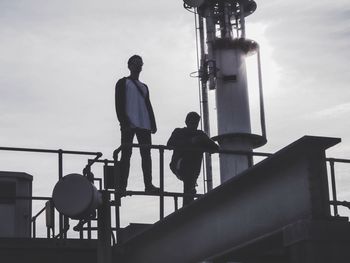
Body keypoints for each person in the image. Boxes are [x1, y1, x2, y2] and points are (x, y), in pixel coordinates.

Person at [115, 55, 159, 194]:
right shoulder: (123, 82)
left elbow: (148, 105)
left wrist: (152, 123)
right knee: (126, 155)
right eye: (135, 63)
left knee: (146, 155)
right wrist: (123, 122)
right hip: (129, 123)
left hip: (144, 124)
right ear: (129, 65)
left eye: (140, 64)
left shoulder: (144, 86)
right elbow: (119, 104)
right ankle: (122, 186)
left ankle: (148, 184)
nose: (138, 66)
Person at [167, 112, 219, 206]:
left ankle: (189, 196)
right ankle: (188, 198)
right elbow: (170, 144)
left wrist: (203, 140)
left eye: (196, 123)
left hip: (193, 169)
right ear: (187, 122)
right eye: (192, 123)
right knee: (189, 178)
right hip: (179, 165)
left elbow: (215, 148)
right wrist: (190, 141)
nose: (194, 125)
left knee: (190, 181)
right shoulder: (179, 132)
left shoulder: (200, 134)